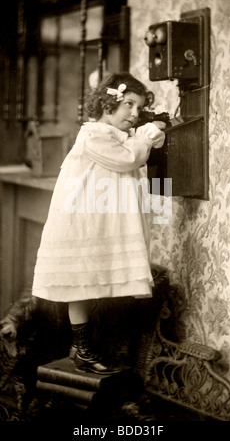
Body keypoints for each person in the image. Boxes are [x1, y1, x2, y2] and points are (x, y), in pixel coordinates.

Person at [32, 72, 166, 374]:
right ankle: (81, 349)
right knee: (79, 283)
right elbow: (129, 158)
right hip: (81, 219)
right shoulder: (94, 134)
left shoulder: (118, 136)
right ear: (108, 103)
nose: (134, 113)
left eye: (138, 107)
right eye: (128, 104)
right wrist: (148, 133)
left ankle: (86, 347)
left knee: (89, 281)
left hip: (99, 217)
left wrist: (154, 128)